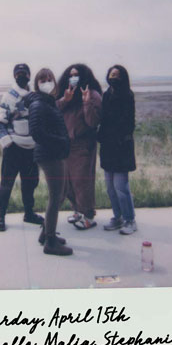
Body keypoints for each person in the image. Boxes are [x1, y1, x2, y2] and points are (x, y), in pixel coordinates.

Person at [26, 69, 73, 256]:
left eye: (49, 79)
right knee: (56, 196)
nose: (47, 82)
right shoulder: (38, 104)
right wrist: (60, 141)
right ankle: (50, 242)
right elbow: (36, 133)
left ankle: (45, 233)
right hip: (49, 155)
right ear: (36, 84)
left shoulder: (48, 101)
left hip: (54, 153)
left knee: (61, 193)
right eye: (42, 80)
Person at [0, 63, 45, 232]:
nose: (21, 76)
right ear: (15, 76)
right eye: (18, 74)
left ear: (30, 76)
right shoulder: (9, 96)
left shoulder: (35, 96)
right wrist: (7, 143)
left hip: (31, 148)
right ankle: (0, 216)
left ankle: (29, 213)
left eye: (24, 73)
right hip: (13, 147)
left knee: (30, 183)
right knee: (6, 183)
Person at [56, 63, 103, 230]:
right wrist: (65, 99)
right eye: (70, 75)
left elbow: (93, 122)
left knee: (82, 182)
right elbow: (54, 112)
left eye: (76, 75)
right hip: (67, 145)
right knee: (68, 182)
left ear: (84, 77)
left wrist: (86, 102)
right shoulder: (68, 94)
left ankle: (88, 215)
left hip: (83, 144)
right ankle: (78, 210)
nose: (73, 78)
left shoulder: (93, 95)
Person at [98, 65, 137, 235]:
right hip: (107, 147)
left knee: (121, 187)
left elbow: (128, 123)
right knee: (110, 187)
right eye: (111, 74)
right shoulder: (106, 95)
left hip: (121, 147)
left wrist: (117, 137)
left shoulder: (127, 95)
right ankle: (118, 217)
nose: (113, 77)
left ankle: (130, 220)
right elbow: (103, 119)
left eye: (117, 75)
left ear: (123, 77)